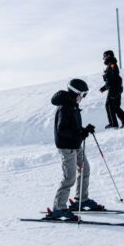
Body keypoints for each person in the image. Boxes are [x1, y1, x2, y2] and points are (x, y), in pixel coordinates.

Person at [47, 79, 101, 221]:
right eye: (83, 94)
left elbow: (73, 128)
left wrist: (84, 130)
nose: (83, 97)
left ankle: (81, 199)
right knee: (69, 177)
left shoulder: (73, 105)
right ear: (75, 92)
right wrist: (80, 134)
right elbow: (62, 130)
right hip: (67, 147)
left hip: (75, 145)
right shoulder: (65, 107)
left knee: (85, 170)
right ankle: (59, 208)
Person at [100, 50, 124, 129]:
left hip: (114, 89)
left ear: (108, 56)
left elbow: (113, 77)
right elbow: (112, 78)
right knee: (116, 106)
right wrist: (104, 88)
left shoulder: (112, 64)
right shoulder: (111, 64)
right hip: (116, 88)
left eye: (105, 57)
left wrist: (106, 84)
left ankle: (113, 124)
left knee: (109, 105)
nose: (104, 59)